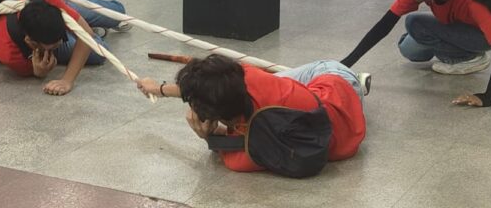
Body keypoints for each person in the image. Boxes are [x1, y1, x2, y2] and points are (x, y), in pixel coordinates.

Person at [137, 56, 366, 173]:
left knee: (283, 80)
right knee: (281, 78)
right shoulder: (250, 81)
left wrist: (208, 136)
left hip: (335, 87)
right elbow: (212, 86)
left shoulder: (247, 154)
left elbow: (207, 93)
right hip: (336, 85)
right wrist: (158, 88)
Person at [341, 0, 491, 107]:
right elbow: (384, 25)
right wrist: (346, 63)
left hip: (481, 36)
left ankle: (469, 58)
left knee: (414, 22)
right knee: (409, 49)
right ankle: (456, 48)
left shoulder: (473, 2)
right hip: (457, 24)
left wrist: (488, 97)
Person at [0, 0, 127, 96]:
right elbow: (35, 71)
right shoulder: (8, 50)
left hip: (51, 3)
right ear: (31, 42)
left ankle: (73, 9)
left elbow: (86, 35)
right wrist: (38, 72)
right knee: (100, 52)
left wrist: (67, 80)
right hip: (29, 37)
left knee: (118, 13)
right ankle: (79, 25)